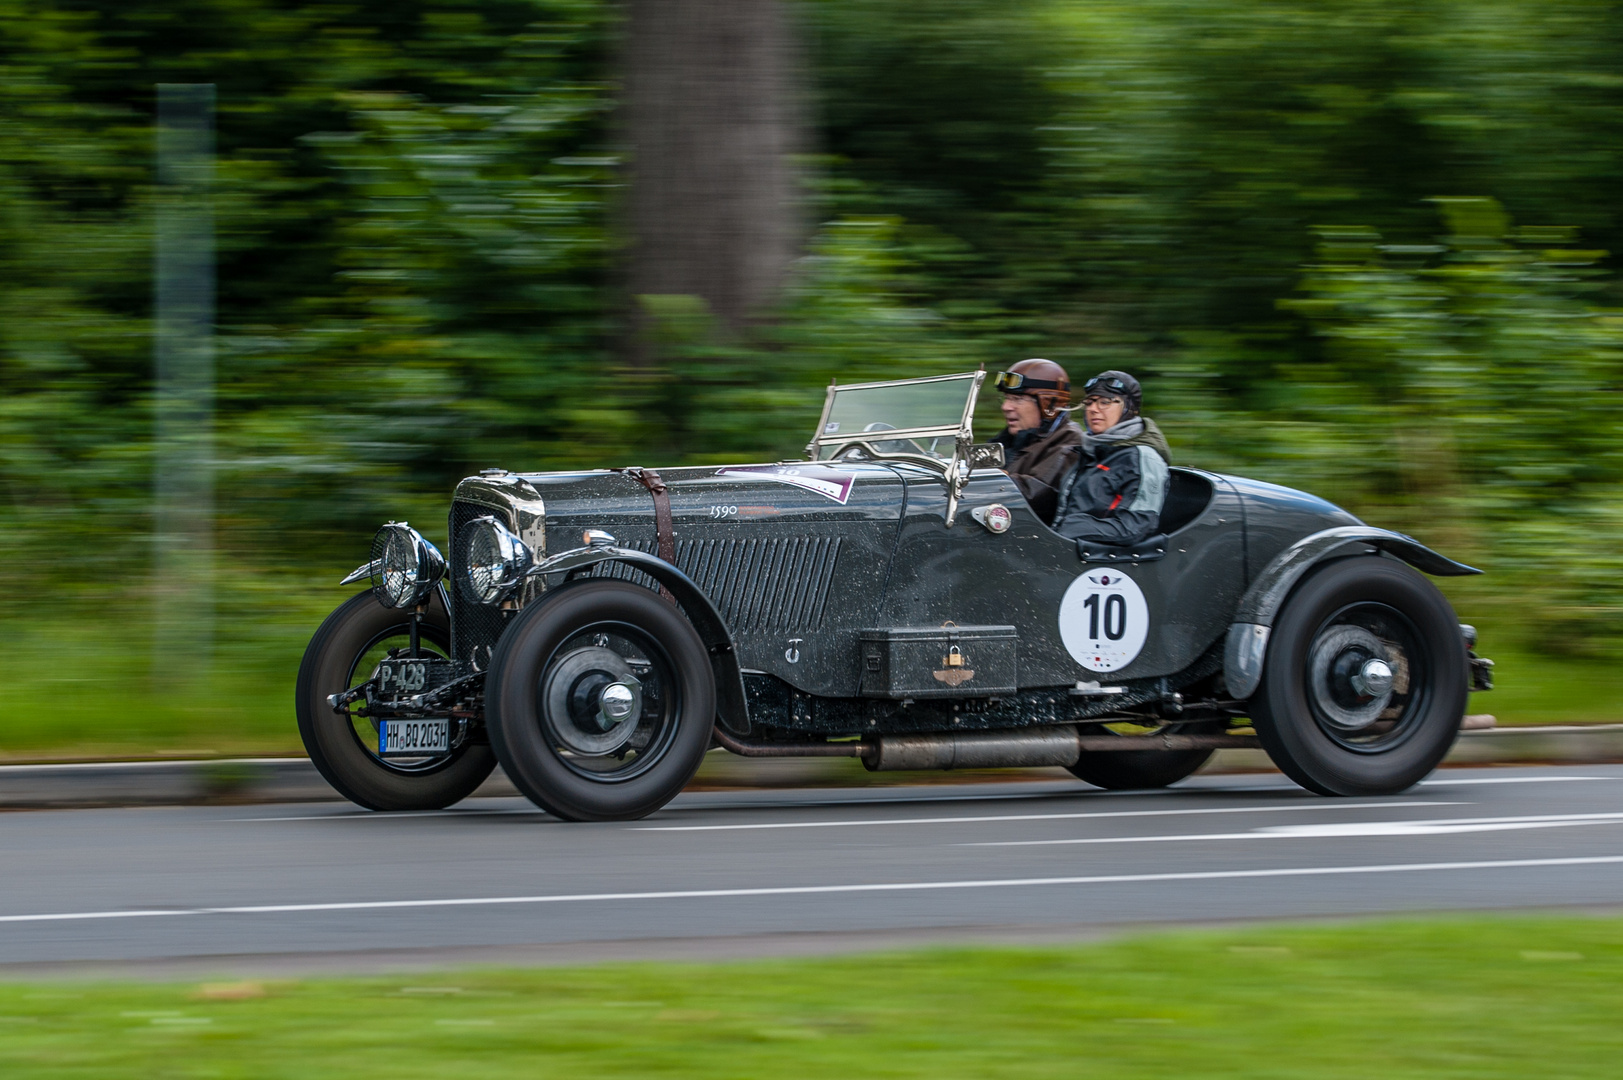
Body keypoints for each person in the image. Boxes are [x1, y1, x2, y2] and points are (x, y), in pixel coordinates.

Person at [1050, 370, 1170, 547]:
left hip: (1102, 561)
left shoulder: (1144, 458)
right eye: (1089, 402)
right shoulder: (1090, 452)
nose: (1092, 409)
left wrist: (1068, 530)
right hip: (1066, 549)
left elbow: (1134, 527)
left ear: (1129, 408)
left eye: (1104, 402)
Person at [990, 359, 1083, 524]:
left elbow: (1037, 494)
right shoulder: (1013, 439)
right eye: (1006, 398)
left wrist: (990, 479)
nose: (1006, 406)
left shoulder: (1069, 442)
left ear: (1048, 404)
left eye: (1017, 399)